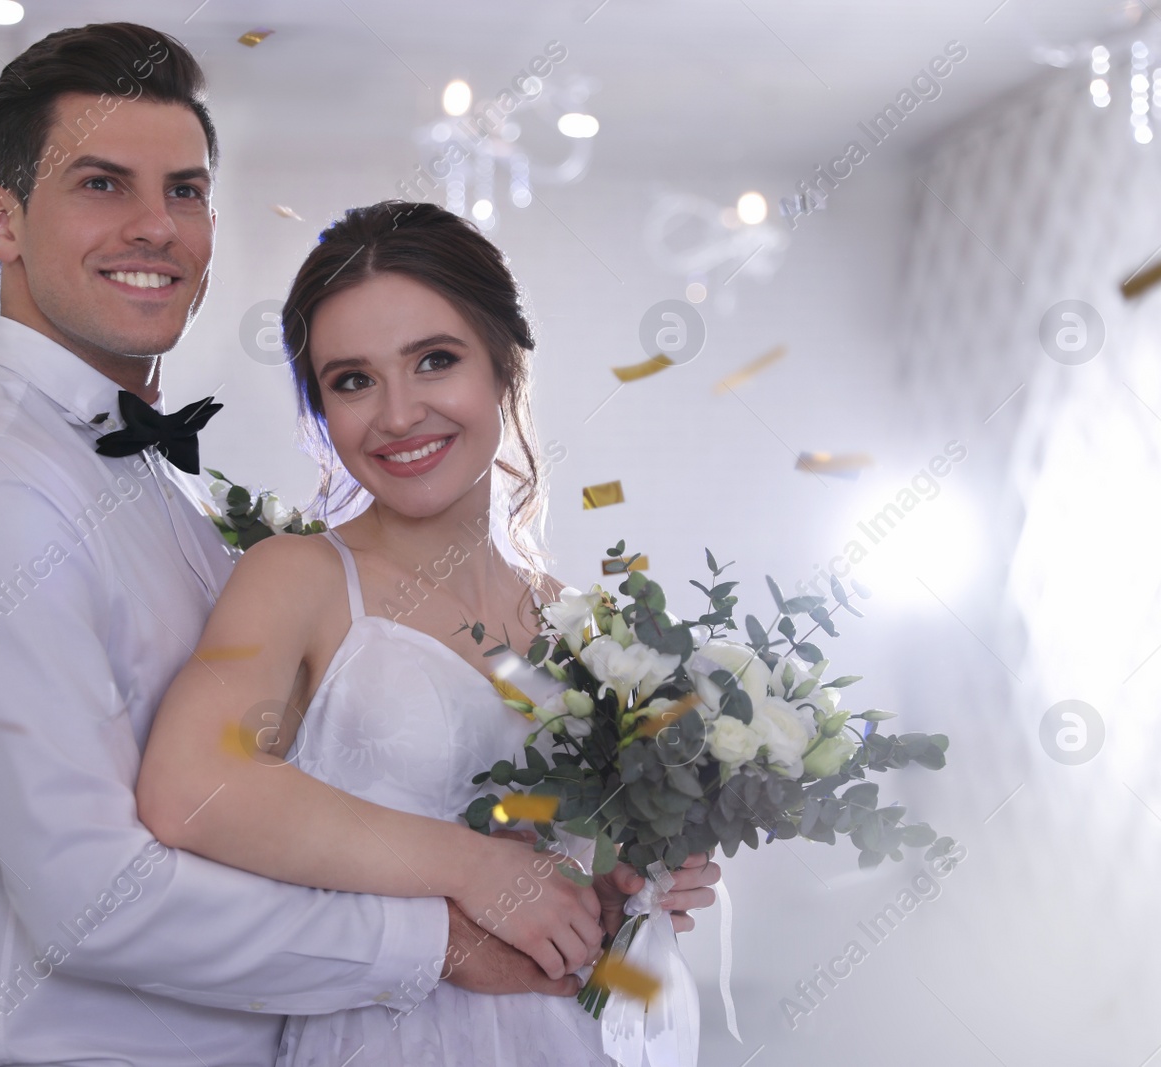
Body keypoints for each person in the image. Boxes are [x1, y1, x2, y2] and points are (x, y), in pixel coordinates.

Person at [0, 24, 642, 1067]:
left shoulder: (159, 486)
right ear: (2, 219)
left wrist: (610, 880)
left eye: (182, 189)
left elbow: (303, 799)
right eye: (101, 184)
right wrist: (444, 932)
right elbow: (95, 895)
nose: (155, 227)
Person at [135, 200, 723, 1066]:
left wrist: (617, 895)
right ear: (320, 408)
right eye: (352, 380)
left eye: (435, 361)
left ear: (503, 366)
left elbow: (564, 890)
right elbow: (190, 785)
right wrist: (469, 867)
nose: (399, 413)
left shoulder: (578, 623)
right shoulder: (297, 577)